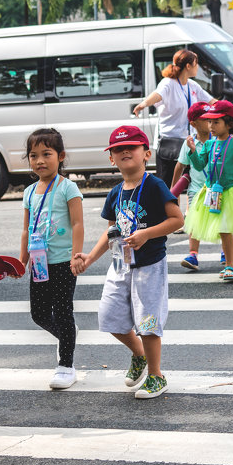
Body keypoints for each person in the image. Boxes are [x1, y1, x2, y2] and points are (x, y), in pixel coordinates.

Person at [79, 125, 185, 399]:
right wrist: (89, 258)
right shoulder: (115, 193)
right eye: (118, 149)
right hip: (120, 265)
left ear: (146, 153)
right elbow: (111, 231)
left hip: (149, 265)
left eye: (132, 147)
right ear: (111, 158)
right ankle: (139, 355)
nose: (125, 151)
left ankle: (156, 376)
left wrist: (146, 235)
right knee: (110, 317)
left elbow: (177, 220)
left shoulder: (155, 185)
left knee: (148, 322)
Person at [19, 128, 85, 390]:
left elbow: (78, 224)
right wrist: (21, 260)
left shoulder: (68, 188)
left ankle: (65, 366)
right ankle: (68, 334)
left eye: (46, 154)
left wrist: (76, 256)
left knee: (63, 311)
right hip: (38, 263)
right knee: (39, 314)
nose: (39, 161)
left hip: (62, 262)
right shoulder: (29, 191)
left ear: (61, 156)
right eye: (33, 156)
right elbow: (25, 229)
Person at [184, 100, 233, 282]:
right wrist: (192, 151)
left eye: (216, 122)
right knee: (222, 230)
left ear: (229, 124)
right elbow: (200, 165)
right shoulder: (209, 144)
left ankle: (232, 265)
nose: (211, 126)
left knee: (225, 229)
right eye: (209, 122)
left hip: (229, 191)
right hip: (211, 191)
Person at [132, 49, 212, 185]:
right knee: (167, 186)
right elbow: (158, 95)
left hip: (188, 142)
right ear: (188, 66)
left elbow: (212, 102)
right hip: (169, 143)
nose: (198, 67)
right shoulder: (168, 83)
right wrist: (144, 104)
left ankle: (187, 207)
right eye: (196, 63)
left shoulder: (192, 85)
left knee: (190, 183)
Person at [177, 103, 221, 271]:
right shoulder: (189, 143)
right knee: (194, 221)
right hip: (196, 190)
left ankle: (226, 251)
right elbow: (180, 166)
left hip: (216, 188)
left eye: (212, 119)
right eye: (205, 119)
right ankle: (193, 254)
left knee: (219, 219)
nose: (210, 122)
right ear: (194, 123)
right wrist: (173, 191)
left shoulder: (218, 140)